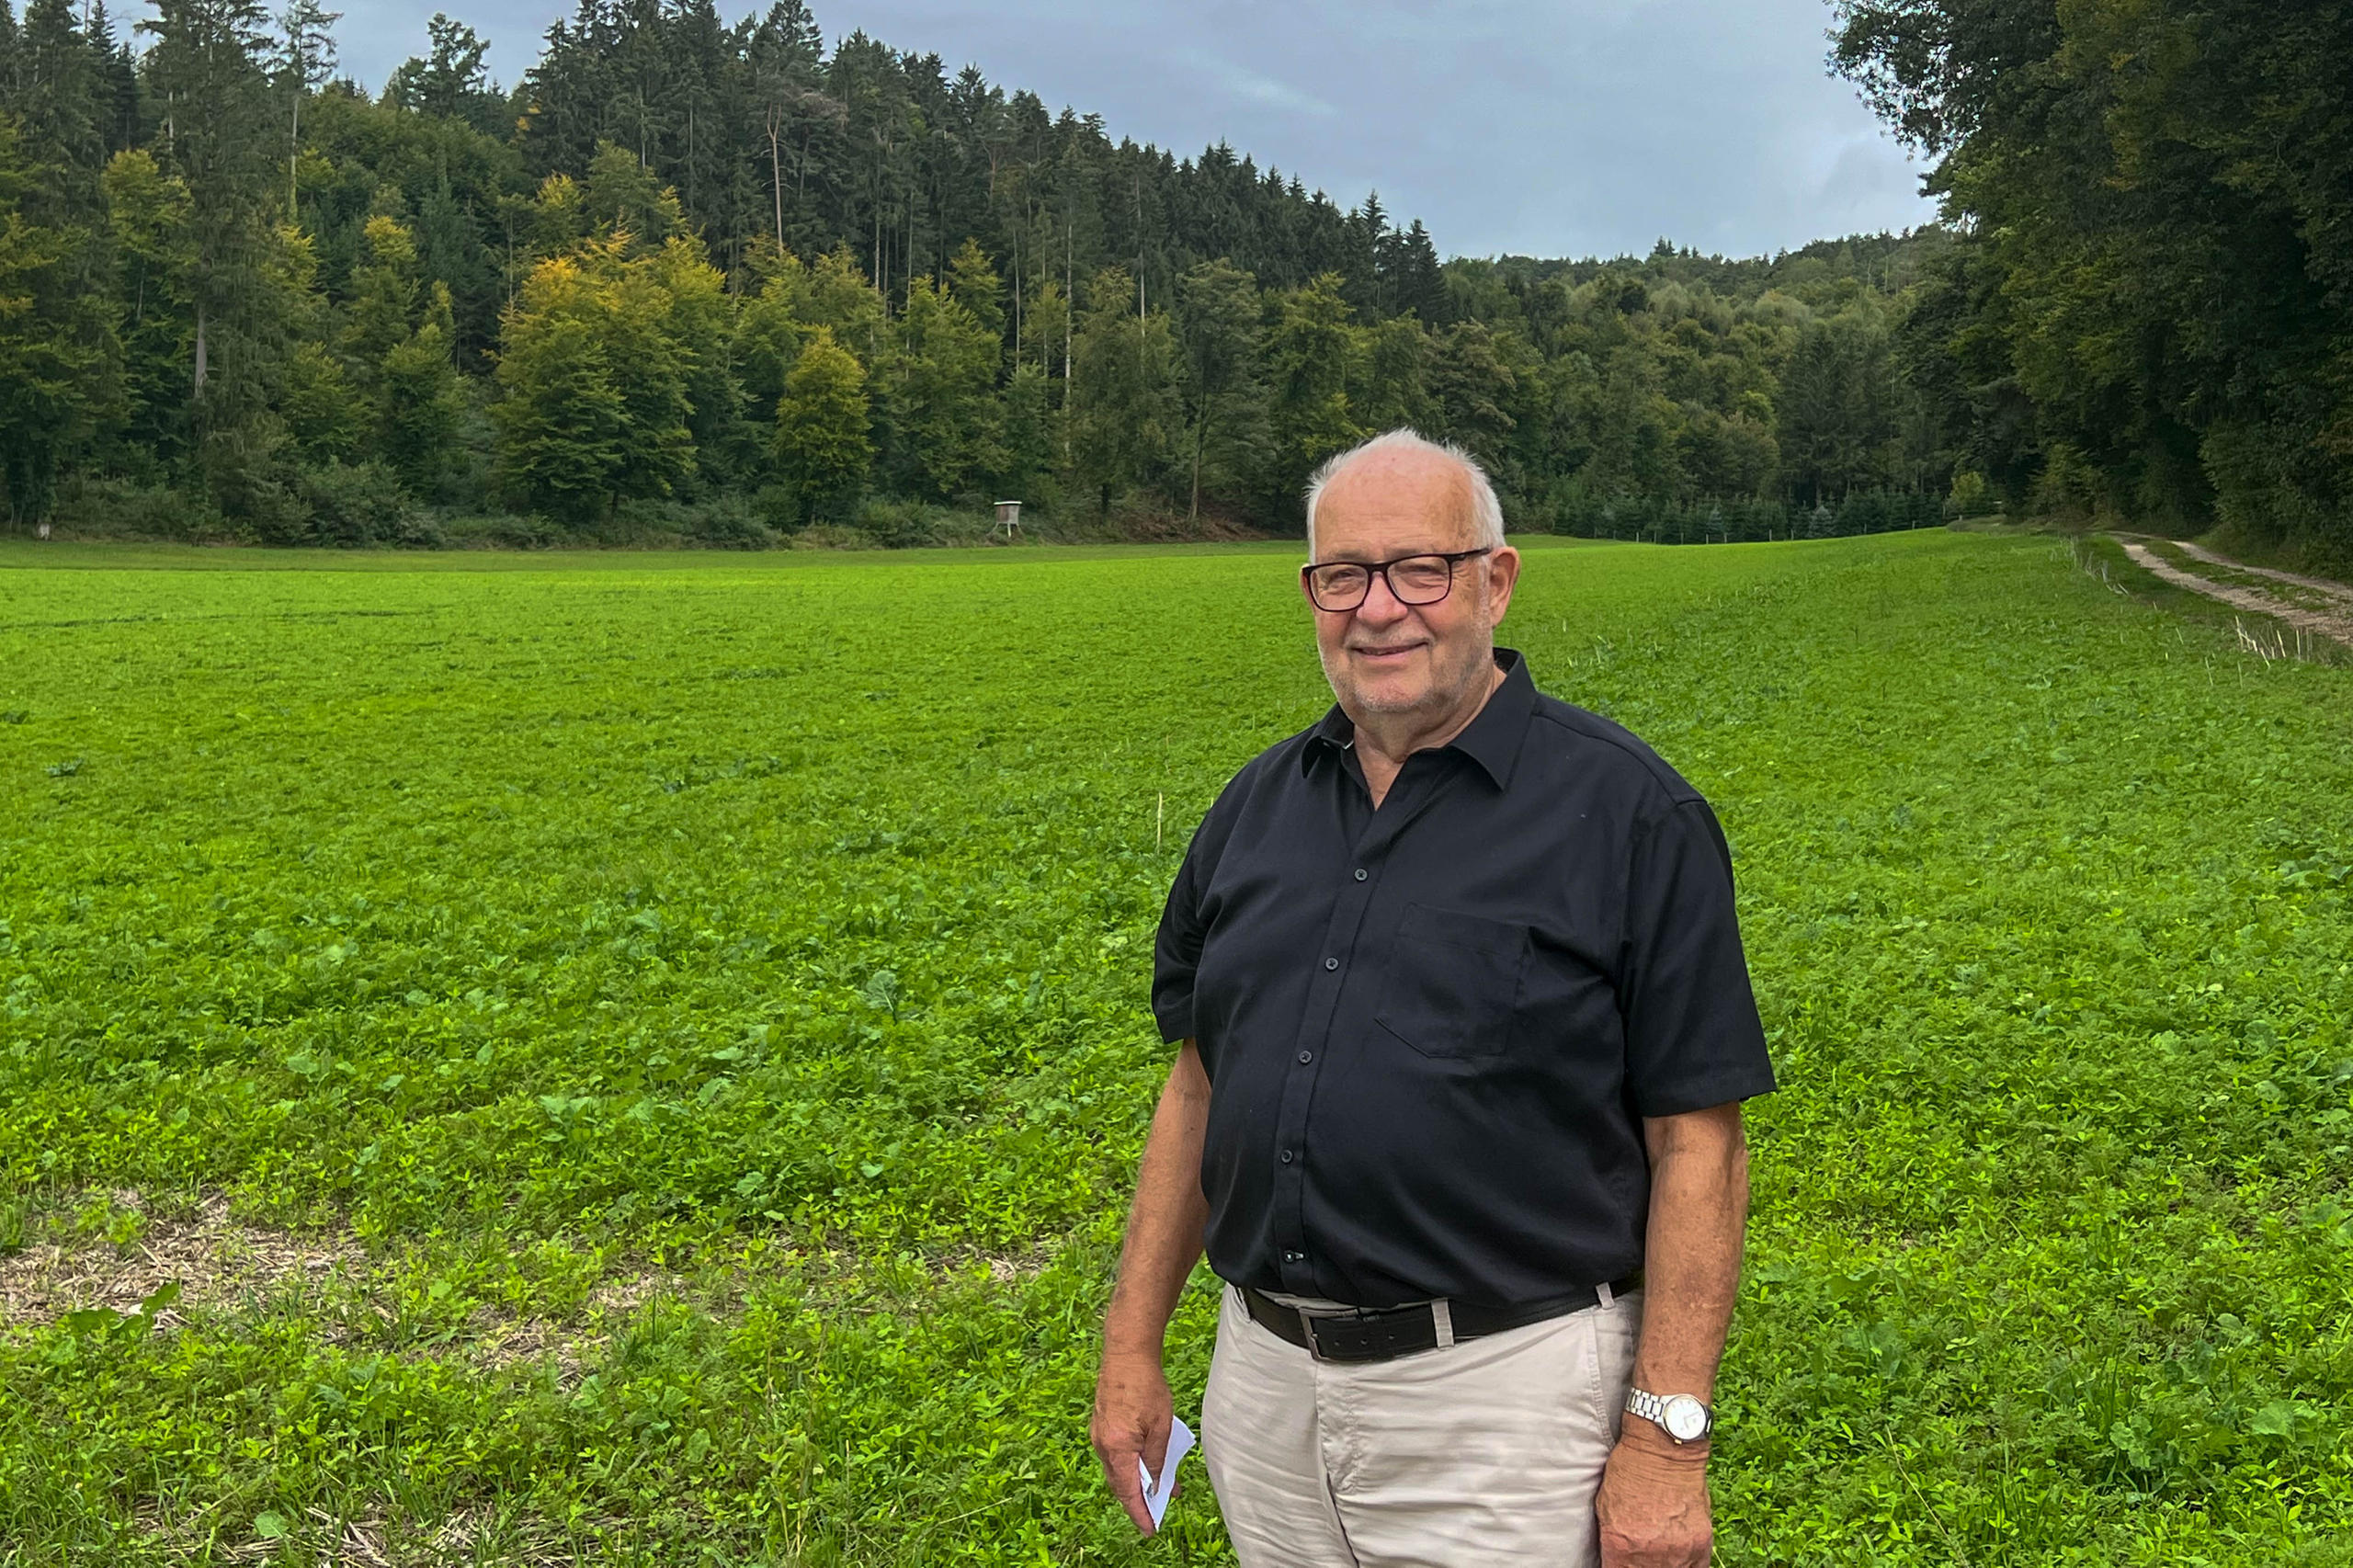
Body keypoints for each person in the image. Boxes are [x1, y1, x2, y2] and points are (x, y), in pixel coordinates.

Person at [1090, 429, 1777, 1567]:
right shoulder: (1253, 808)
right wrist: (1131, 1345)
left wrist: (1666, 1441)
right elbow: (1197, 1086)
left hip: (1504, 1397)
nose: (1378, 609)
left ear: (1494, 581)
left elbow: (1696, 1140)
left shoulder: (1629, 816)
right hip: (1264, 1384)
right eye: (1343, 575)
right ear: (1311, 593)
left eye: (1421, 568)